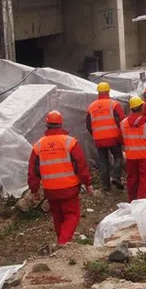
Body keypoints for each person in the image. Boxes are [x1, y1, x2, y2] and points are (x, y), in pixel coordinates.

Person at [28, 111, 94, 245]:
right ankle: (63, 244)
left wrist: (34, 190)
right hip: (69, 189)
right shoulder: (69, 142)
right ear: (60, 124)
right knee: (72, 216)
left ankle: (60, 243)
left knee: (58, 218)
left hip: (50, 190)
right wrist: (87, 183)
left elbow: (33, 170)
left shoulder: (38, 145)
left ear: (47, 125)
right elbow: (81, 165)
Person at [85, 82, 126, 191]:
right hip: (114, 137)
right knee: (118, 157)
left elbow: (88, 124)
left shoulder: (91, 107)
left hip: (99, 138)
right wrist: (122, 135)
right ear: (108, 91)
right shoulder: (114, 104)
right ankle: (116, 177)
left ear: (98, 92)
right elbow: (122, 121)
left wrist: (95, 134)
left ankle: (105, 185)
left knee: (103, 160)